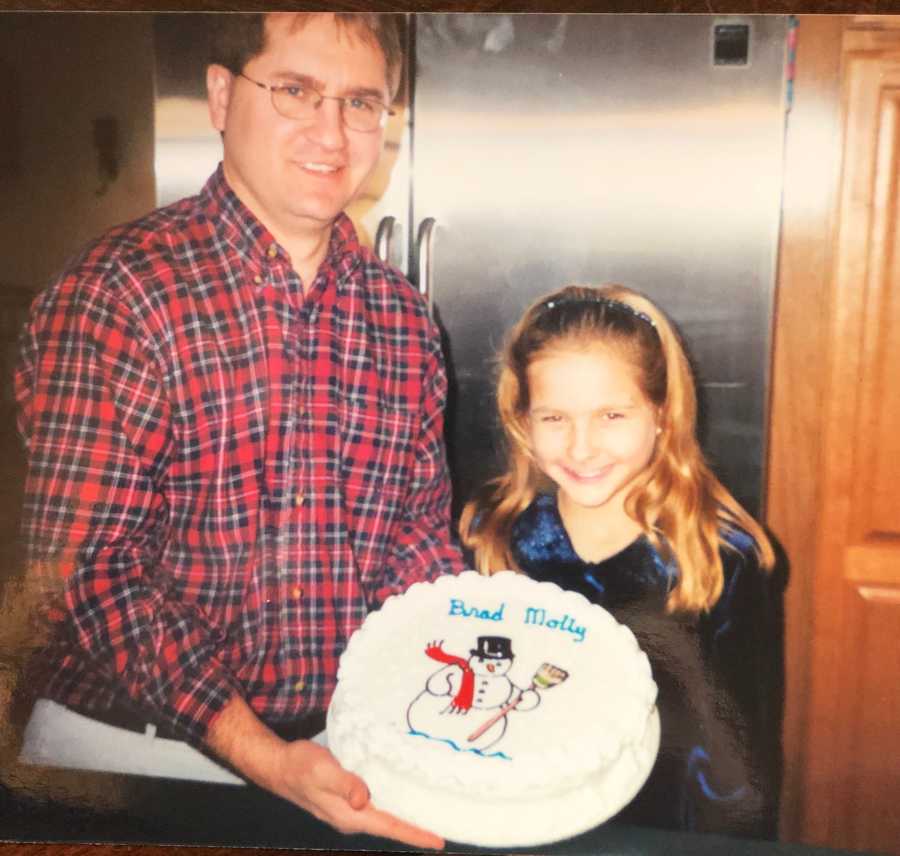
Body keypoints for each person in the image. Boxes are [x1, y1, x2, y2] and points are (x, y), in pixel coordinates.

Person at [15, 12, 462, 848]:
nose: (332, 133)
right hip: (126, 759)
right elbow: (87, 576)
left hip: (332, 744)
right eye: (295, 91)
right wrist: (262, 753)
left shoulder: (403, 320)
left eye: (361, 103)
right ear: (223, 96)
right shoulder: (120, 296)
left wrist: (459, 678)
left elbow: (417, 541)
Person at [459, 284, 781, 838]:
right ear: (522, 420)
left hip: (662, 836)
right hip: (523, 821)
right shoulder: (497, 538)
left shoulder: (717, 559)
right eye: (555, 418)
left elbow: (738, 766)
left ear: (660, 414)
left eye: (611, 415)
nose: (582, 448)